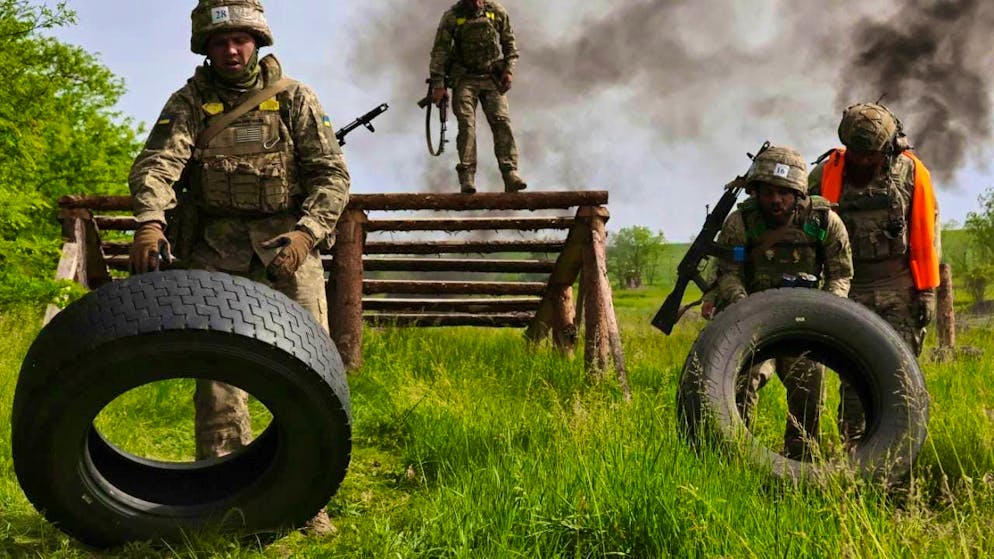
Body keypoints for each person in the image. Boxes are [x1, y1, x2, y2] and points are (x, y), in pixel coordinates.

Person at [127, 0, 350, 534]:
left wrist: (306, 234)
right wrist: (150, 221)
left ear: (258, 41)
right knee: (219, 378)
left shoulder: (295, 99)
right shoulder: (188, 102)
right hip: (215, 253)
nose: (231, 51)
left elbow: (332, 176)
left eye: (241, 41)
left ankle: (309, 496)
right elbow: (158, 163)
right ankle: (225, 494)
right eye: (220, 43)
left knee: (309, 377)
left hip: (287, 251)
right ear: (205, 48)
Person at [809, 102, 940, 445]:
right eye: (857, 152)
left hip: (899, 288)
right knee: (853, 376)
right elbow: (804, 230)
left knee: (900, 375)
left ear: (888, 147)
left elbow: (927, 234)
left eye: (871, 154)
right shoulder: (824, 175)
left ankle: (899, 456)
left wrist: (927, 292)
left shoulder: (912, 174)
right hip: (848, 288)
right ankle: (856, 454)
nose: (863, 160)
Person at [715, 145, 854, 460]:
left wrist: (826, 312)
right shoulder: (741, 223)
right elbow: (729, 273)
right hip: (753, 324)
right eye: (767, 192)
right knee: (740, 382)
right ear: (756, 192)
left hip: (803, 325)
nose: (775, 200)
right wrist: (744, 308)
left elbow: (841, 275)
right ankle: (736, 456)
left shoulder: (823, 222)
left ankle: (799, 459)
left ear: (798, 193)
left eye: (783, 192)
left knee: (809, 385)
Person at [429, 0, 527, 194]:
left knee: (502, 122)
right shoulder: (453, 17)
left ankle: (510, 173)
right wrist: (438, 85)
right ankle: (467, 176)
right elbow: (440, 52)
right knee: (467, 125)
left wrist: (508, 70)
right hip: (464, 79)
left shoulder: (495, 11)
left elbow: (509, 43)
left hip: (491, 77)